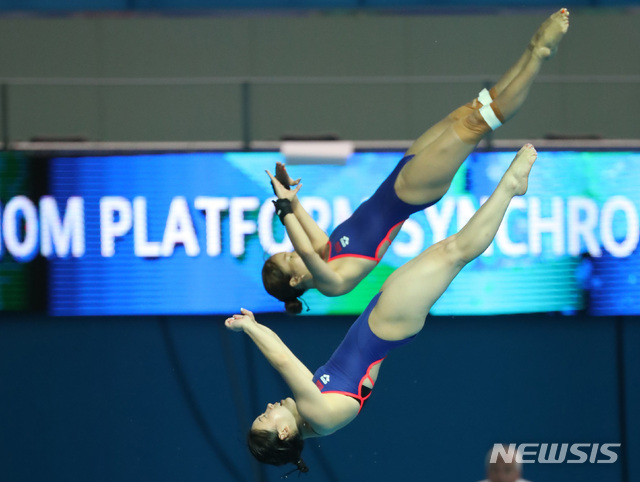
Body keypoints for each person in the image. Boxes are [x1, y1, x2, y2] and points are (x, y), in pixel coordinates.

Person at [227, 144, 539, 473]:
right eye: (266, 416)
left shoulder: (312, 411)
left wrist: (254, 325)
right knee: (455, 251)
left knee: (452, 250)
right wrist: (248, 328)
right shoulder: (318, 416)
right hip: (387, 323)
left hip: (383, 318)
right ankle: (510, 186)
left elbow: (283, 352)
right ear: (283, 433)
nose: (268, 406)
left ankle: (510, 186)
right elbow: (282, 360)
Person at [262, 9, 570, 313]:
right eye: (288, 258)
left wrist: (291, 200)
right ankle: (539, 55)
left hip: (401, 174)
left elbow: (308, 238)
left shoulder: (325, 252)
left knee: (471, 109)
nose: (293, 252)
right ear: (296, 280)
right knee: (476, 124)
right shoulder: (332, 283)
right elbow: (305, 249)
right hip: (410, 192)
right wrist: (283, 210)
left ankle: (531, 50)